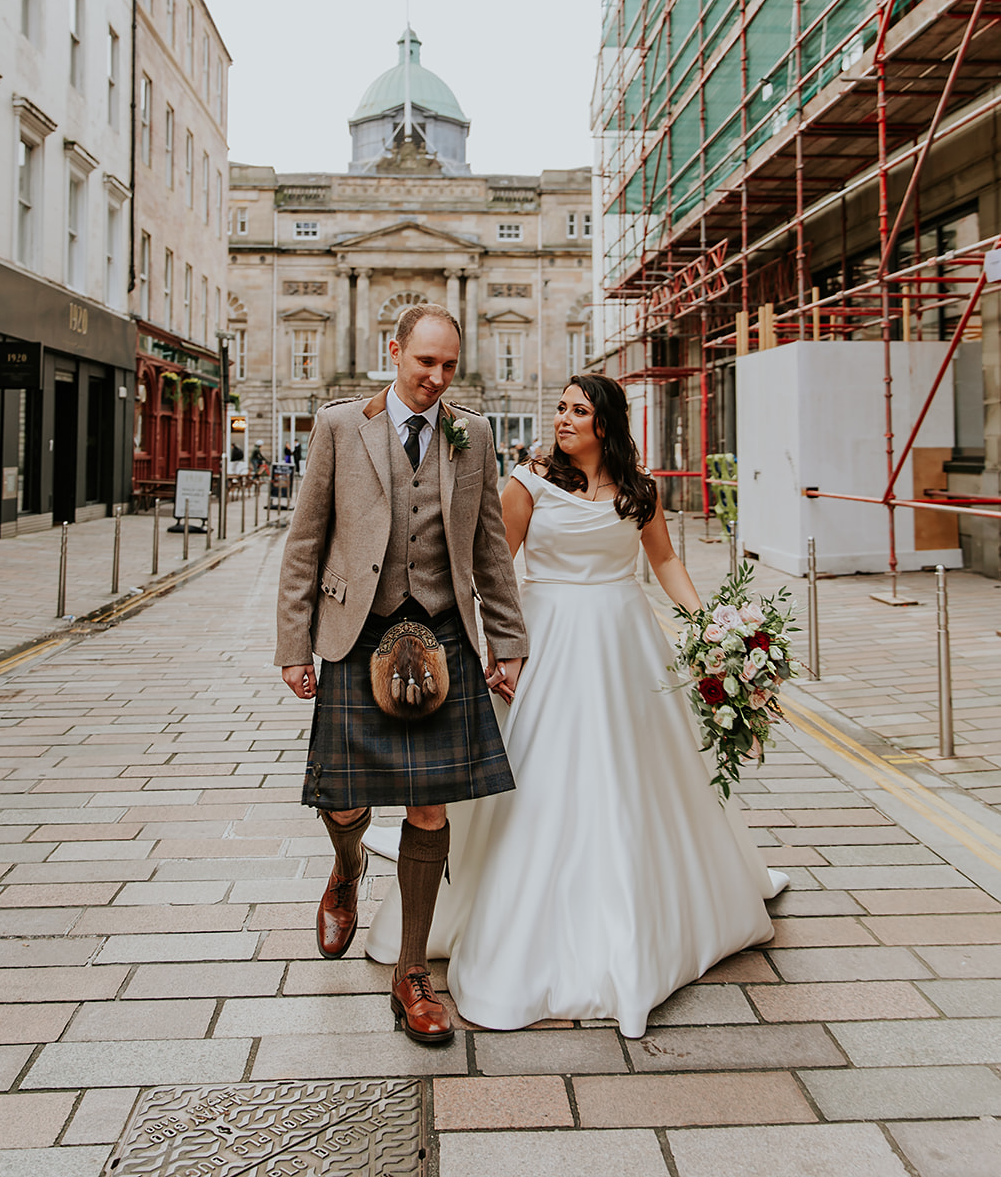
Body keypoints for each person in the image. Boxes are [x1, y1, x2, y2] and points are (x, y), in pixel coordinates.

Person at [366, 372, 787, 1037]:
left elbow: (666, 563)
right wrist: (491, 648)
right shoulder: (528, 481)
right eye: (560, 408)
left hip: (625, 642)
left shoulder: (639, 491)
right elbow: (494, 568)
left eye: (578, 410)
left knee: (634, 778)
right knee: (540, 778)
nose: (562, 419)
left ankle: (646, 914)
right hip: (547, 639)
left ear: (606, 423)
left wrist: (710, 625)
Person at [276, 303, 527, 1047]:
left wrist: (506, 639)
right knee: (343, 798)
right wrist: (294, 645)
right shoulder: (337, 425)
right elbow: (305, 541)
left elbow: (488, 547)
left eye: (448, 366)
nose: (436, 379)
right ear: (394, 351)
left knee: (428, 809)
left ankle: (411, 974)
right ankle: (347, 866)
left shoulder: (473, 433)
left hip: (444, 634)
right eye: (424, 363)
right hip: (358, 631)